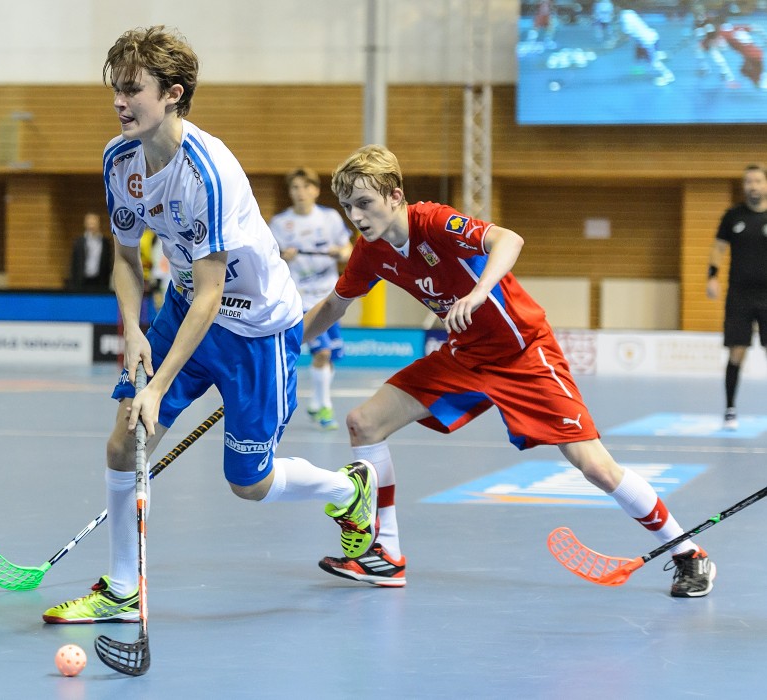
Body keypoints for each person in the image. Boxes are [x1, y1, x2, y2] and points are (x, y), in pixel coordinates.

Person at [42, 26, 378, 624]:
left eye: (131, 89)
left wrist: (157, 385)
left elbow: (214, 292)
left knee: (249, 483)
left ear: (172, 93)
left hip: (256, 330)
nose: (119, 101)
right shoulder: (120, 161)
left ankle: (347, 491)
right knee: (125, 443)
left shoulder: (208, 173)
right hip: (180, 312)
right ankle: (122, 589)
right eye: (115, 89)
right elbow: (124, 256)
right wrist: (135, 331)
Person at [301, 144, 716, 597]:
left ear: (395, 196)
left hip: (523, 352)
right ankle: (386, 555)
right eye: (347, 206)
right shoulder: (370, 252)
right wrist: (285, 349)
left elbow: (509, 239)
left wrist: (479, 292)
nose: (356, 215)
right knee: (364, 422)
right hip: (464, 356)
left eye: (365, 203)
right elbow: (333, 305)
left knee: (594, 467)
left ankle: (687, 552)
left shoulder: (433, 221)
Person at [269, 167, 353, 430]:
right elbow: (267, 261)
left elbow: (349, 252)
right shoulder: (280, 224)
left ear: (316, 190)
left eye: (306, 187)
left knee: (330, 357)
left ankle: (316, 403)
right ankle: (324, 407)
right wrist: (283, 256)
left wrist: (338, 253)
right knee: (323, 352)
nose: (301, 193)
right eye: (295, 188)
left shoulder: (330, 218)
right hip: (301, 299)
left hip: (330, 297)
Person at [707, 164, 767, 430]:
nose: (752, 186)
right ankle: (730, 409)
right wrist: (712, 276)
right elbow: (719, 247)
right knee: (737, 352)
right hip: (740, 295)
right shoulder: (733, 216)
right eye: (748, 182)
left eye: (757, 181)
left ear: (765, 184)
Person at [618, 7, 675, 86]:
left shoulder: (625, 18)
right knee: (643, 56)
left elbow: (626, 36)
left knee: (653, 63)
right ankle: (662, 55)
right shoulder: (629, 12)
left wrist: (614, 44)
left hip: (648, 41)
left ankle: (668, 76)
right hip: (651, 36)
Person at [69, 211, 113, 292]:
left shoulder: (105, 243)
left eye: (94, 223)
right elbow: (74, 264)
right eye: (89, 223)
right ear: (85, 224)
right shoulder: (79, 242)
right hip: (81, 282)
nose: (91, 225)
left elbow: (108, 264)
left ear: (98, 224)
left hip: (100, 282)